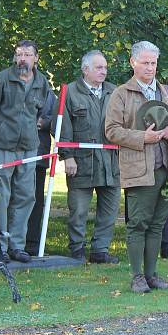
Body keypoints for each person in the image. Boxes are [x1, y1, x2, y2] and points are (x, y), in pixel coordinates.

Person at [105, 41, 168, 293]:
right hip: (139, 168)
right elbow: (111, 130)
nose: (150, 68)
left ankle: (152, 275)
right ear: (132, 62)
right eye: (145, 63)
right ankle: (137, 276)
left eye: (153, 63)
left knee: (157, 223)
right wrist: (143, 137)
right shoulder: (121, 94)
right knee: (138, 223)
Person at [0, 40, 52, 263]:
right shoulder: (3, 78)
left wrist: (38, 124)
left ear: (36, 59)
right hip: (2, 146)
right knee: (0, 197)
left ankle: (17, 246)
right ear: (15, 58)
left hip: (29, 148)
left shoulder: (42, 82)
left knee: (25, 196)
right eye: (19, 54)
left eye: (27, 54)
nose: (23, 58)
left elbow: (46, 110)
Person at [57, 50, 121, 264]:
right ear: (85, 70)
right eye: (99, 67)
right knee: (78, 210)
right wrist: (67, 156)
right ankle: (77, 249)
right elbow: (63, 126)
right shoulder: (70, 92)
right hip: (81, 161)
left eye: (105, 67)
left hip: (111, 161)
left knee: (109, 209)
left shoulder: (115, 92)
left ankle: (100, 250)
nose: (104, 71)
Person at [24, 88, 56, 256]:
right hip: (14, 154)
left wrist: (45, 122)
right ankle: (11, 242)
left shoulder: (47, 91)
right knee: (14, 199)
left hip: (39, 154)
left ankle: (32, 243)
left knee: (36, 201)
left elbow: (57, 118)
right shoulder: (7, 83)